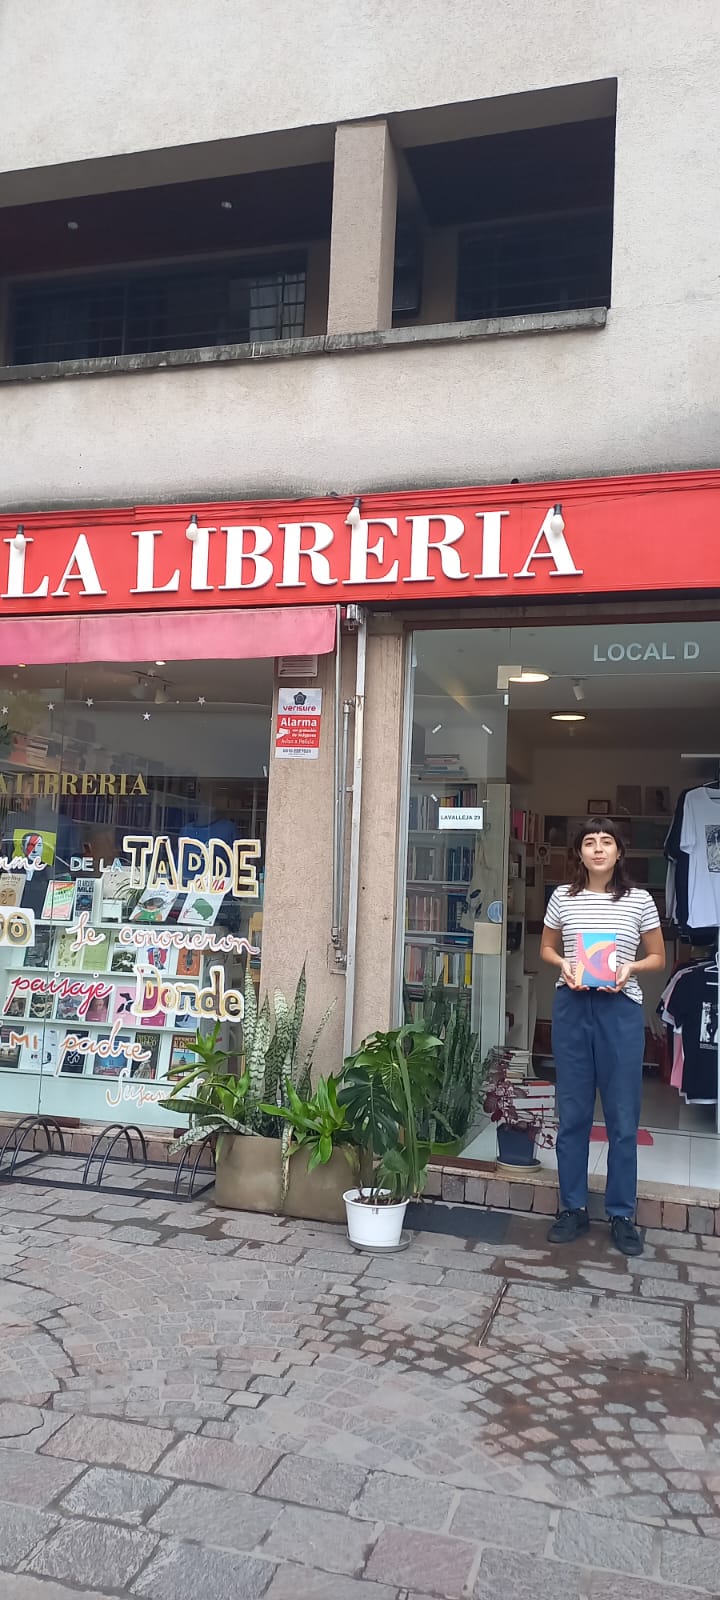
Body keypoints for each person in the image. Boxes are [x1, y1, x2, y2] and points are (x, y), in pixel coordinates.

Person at [540, 817, 666, 1257]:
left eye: (606, 842)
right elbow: (547, 948)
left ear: (618, 852)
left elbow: (657, 956)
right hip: (573, 1008)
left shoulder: (639, 900)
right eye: (589, 842)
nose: (597, 849)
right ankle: (572, 1208)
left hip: (620, 1012)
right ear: (579, 853)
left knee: (621, 1117)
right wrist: (565, 965)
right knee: (572, 1112)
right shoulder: (563, 897)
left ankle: (621, 1213)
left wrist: (629, 968)